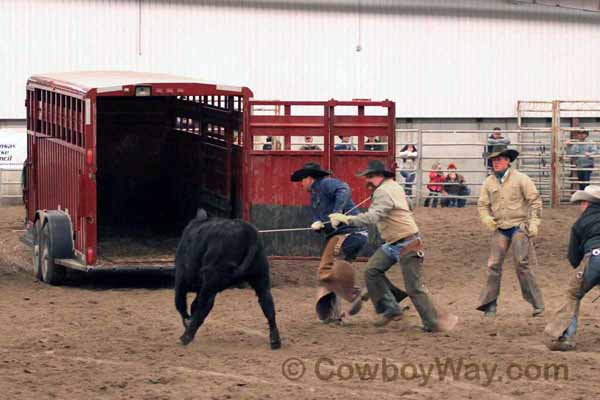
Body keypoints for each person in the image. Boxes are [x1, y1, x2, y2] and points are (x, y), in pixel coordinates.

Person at [328, 160, 458, 331]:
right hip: (396, 241)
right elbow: (409, 205)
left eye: (370, 177)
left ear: (380, 176)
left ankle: (432, 323)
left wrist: (346, 219)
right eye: (367, 177)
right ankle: (391, 307)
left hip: (406, 242)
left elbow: (373, 217)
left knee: (414, 287)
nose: (367, 180)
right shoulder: (394, 186)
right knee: (372, 271)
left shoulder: (382, 192)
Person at [290, 162, 367, 324]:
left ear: (310, 178)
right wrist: (317, 224)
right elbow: (320, 216)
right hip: (354, 235)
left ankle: (352, 295)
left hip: (346, 234)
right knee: (333, 274)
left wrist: (337, 213)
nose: (301, 184)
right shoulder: (315, 194)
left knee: (325, 271)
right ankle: (334, 314)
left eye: (302, 180)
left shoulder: (325, 183)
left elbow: (343, 189)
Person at [477, 146, 544, 318]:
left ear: (508, 161)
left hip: (519, 226)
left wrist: (534, 223)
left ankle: (537, 303)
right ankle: (489, 304)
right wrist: (486, 218)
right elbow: (482, 205)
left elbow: (535, 201)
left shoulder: (521, 179)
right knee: (493, 265)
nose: (495, 163)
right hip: (500, 228)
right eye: (493, 160)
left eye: (499, 160)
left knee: (522, 263)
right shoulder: (489, 182)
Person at [544, 186, 600, 351]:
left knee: (573, 293)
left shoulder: (580, 223)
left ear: (586, 204)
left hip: (595, 257)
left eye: (582, 203)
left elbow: (573, 257)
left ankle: (566, 337)